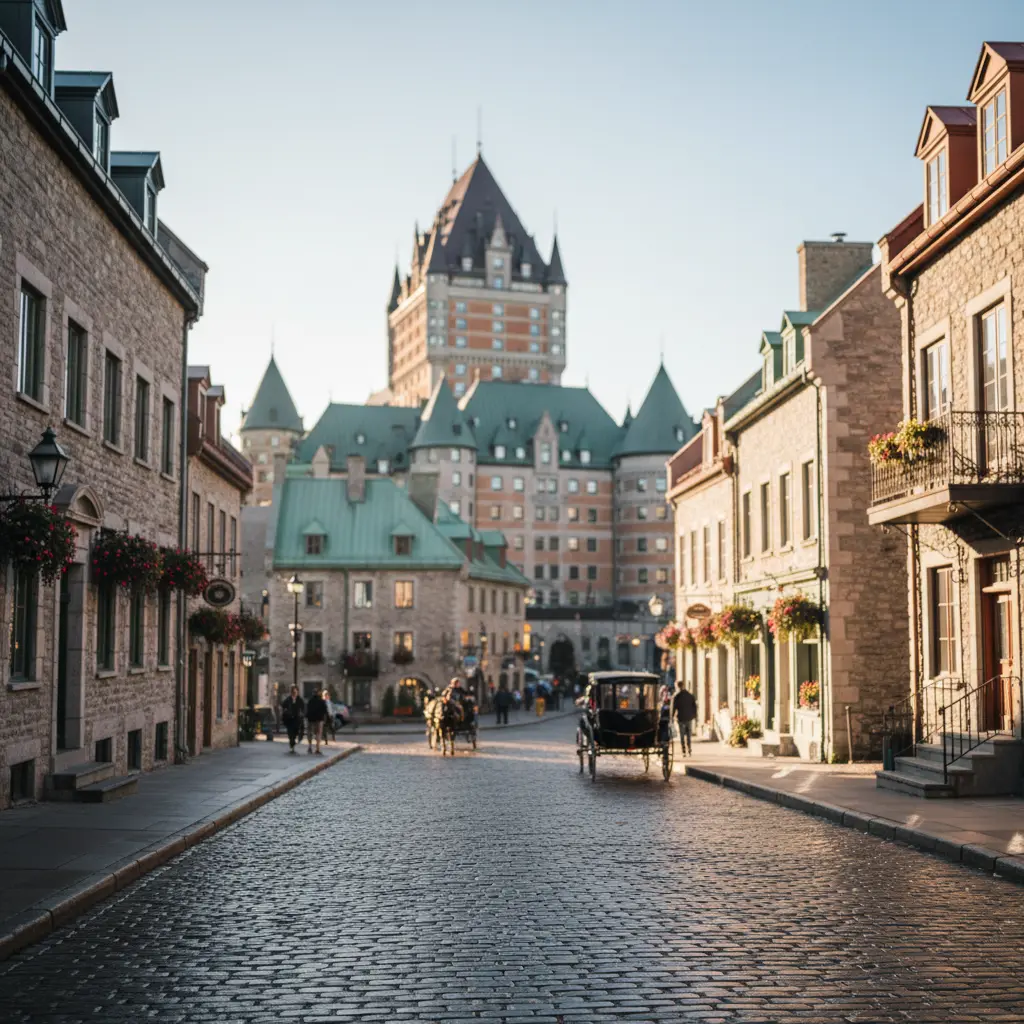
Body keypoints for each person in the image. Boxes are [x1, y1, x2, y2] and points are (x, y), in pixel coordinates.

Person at [671, 681, 697, 756]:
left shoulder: (677, 696)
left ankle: (683, 750)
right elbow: (694, 706)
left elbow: (673, 708)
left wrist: (672, 717)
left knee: (682, 735)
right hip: (689, 717)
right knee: (688, 735)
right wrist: (694, 715)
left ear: (677, 686)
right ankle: (689, 749)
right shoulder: (690, 695)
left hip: (681, 718)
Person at [280, 685, 305, 754]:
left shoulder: (300, 700)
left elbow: (303, 708)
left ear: (297, 692)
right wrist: (285, 711)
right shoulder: (288, 699)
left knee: (296, 732)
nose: (294, 693)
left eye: (295, 692)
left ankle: (294, 743)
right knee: (290, 733)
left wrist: (302, 714)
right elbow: (283, 705)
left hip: (297, 719)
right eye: (293, 692)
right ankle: (292, 747)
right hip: (289, 719)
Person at [305, 686, 328, 755]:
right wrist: (325, 719)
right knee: (318, 734)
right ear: (318, 693)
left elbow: (307, 710)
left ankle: (309, 746)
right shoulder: (321, 701)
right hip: (319, 719)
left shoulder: (310, 700)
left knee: (310, 733)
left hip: (310, 719)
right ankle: (317, 748)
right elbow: (325, 711)